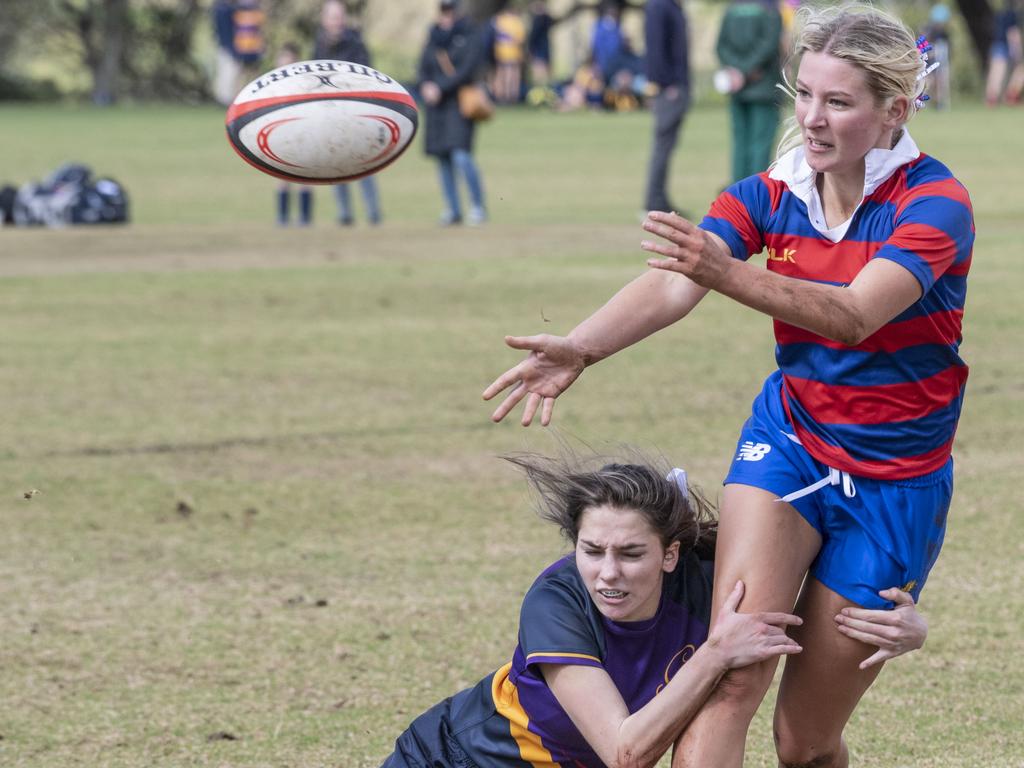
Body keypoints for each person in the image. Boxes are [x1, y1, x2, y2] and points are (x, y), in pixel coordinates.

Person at [483, 5, 973, 767]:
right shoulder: (769, 192)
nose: (811, 118)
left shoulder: (934, 205)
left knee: (803, 742)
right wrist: (582, 347)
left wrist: (726, 272)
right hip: (790, 443)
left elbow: (851, 317)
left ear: (893, 112)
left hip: (894, 482)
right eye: (803, 94)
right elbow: (677, 285)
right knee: (730, 673)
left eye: (837, 102)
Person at [380, 453, 927, 768]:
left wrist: (910, 625)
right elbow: (627, 752)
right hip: (459, 757)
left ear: (670, 554)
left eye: (631, 553)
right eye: (591, 551)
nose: (608, 573)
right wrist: (715, 655)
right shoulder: (557, 600)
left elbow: (818, 587)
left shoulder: (709, 583)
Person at [418, 0, 489, 227]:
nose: (447, 14)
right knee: (442, 159)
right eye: (444, 10)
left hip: (459, 104)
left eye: (451, 10)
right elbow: (423, 66)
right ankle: (453, 209)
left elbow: (468, 69)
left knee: (461, 156)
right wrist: (426, 85)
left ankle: (477, 206)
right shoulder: (433, 36)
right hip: (436, 107)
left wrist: (440, 87)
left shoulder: (470, 35)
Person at [314, 0, 382, 226]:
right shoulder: (319, 44)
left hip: (355, 113)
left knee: (364, 163)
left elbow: (365, 76)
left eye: (339, 17)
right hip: (330, 115)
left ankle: (373, 212)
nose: (336, 21)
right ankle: (344, 213)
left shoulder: (356, 43)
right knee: (337, 163)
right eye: (333, 17)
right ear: (325, 20)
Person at [716, 0, 783, 182]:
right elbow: (769, 45)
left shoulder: (731, 8)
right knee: (760, 145)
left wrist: (736, 71)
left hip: (737, 88)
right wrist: (745, 71)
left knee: (740, 144)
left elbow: (721, 46)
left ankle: (738, 195)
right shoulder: (769, 8)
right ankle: (755, 195)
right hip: (764, 87)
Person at [643, 0, 690, 215]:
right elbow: (655, 48)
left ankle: (659, 197)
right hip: (669, 89)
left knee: (667, 145)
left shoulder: (670, 6)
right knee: (662, 146)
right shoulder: (659, 6)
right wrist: (666, 83)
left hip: (676, 86)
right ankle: (654, 200)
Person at [273, 43, 313, 227]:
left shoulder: (304, 86)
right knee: (282, 177)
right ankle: (282, 217)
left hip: (302, 133)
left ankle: (305, 218)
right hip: (280, 134)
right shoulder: (272, 88)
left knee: (305, 176)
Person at [985, 0, 1024, 106]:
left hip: (996, 44)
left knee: (995, 74)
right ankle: (1011, 96)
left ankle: (991, 100)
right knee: (1019, 70)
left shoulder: (1000, 13)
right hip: (1004, 46)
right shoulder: (1012, 14)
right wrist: (1017, 51)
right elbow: (1012, 33)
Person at [492, 5, 527, 103]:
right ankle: (510, 96)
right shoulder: (517, 22)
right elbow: (521, 40)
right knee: (511, 75)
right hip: (512, 54)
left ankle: (502, 96)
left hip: (501, 53)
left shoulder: (499, 20)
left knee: (502, 74)